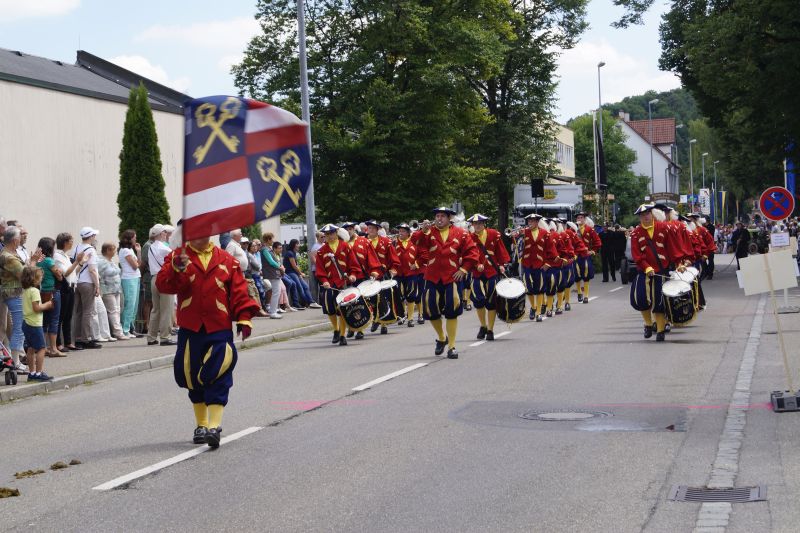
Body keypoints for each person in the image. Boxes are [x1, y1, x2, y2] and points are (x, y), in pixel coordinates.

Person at [156, 233, 260, 448]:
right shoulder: (177, 256)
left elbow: (239, 292)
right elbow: (165, 286)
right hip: (191, 327)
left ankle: (214, 427)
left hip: (218, 326)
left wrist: (243, 318)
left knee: (219, 373)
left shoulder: (227, 260)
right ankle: (201, 424)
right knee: (191, 376)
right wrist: (177, 268)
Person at [417, 207, 479, 359]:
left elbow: (472, 253)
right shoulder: (428, 231)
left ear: (449, 218)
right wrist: (423, 231)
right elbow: (416, 243)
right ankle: (441, 338)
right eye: (437, 216)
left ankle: (451, 346)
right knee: (431, 311)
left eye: (442, 216)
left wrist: (464, 270)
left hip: (451, 277)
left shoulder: (461, 233)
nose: (439, 219)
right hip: (432, 277)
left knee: (452, 311)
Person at [629, 204, 690, 341]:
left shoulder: (664, 228)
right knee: (641, 299)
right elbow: (636, 255)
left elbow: (672, 248)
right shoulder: (636, 233)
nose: (645, 217)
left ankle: (661, 330)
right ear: (639, 217)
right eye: (642, 215)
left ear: (652, 214)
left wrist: (679, 264)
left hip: (661, 271)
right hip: (644, 272)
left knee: (660, 301)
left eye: (647, 214)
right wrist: (646, 267)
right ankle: (648, 324)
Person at [1, 226, 43, 371]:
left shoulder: (10, 254)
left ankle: (15, 360)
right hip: (14, 294)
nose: (21, 240)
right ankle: (16, 362)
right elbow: (25, 276)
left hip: (14, 293)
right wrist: (33, 262)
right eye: (19, 238)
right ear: (15, 240)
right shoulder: (8, 256)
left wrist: (32, 261)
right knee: (19, 328)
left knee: (16, 327)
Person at [315, 224, 361, 346]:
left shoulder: (345, 246)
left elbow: (353, 262)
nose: (329, 236)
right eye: (327, 234)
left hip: (343, 282)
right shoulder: (321, 251)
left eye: (331, 233)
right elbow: (320, 269)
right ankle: (335, 329)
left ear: (336, 233)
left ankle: (342, 335)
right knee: (330, 309)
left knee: (342, 309)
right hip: (329, 284)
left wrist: (353, 275)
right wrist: (324, 280)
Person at [467, 214, 509, 340]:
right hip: (477, 273)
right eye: (475, 224)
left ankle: (490, 330)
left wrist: (502, 265)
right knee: (478, 301)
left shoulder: (494, 234)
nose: (478, 225)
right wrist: (475, 264)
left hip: (492, 271)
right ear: (472, 225)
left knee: (492, 302)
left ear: (484, 223)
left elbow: (500, 251)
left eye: (480, 223)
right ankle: (483, 325)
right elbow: (466, 255)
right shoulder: (469, 238)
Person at [341, 221, 381, 339]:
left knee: (361, 304)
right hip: (346, 279)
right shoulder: (342, 244)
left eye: (350, 229)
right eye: (346, 229)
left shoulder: (364, 242)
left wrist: (374, 270)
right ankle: (351, 327)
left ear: (354, 229)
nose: (348, 231)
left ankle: (360, 329)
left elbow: (371, 257)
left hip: (361, 277)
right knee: (347, 305)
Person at [520, 213, 558, 322]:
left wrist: (548, 263)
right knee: (528, 287)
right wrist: (516, 236)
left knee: (540, 288)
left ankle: (538, 313)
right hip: (527, 263)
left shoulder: (545, 234)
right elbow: (518, 245)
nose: (530, 223)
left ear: (537, 222)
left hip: (540, 264)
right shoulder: (524, 232)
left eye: (532, 221)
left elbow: (551, 249)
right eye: (529, 221)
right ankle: (533, 307)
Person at [364, 220, 400, 334]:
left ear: (378, 229)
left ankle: (384, 323)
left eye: (373, 228)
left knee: (384, 299)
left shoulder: (386, 242)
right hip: (368, 275)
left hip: (382, 273)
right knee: (372, 299)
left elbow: (393, 258)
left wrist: (393, 269)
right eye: (369, 228)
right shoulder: (363, 242)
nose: (371, 230)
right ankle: (375, 319)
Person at [21, 266, 54, 381]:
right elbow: (36, 308)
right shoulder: (34, 291)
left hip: (26, 323)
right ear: (34, 279)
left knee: (30, 349)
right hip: (34, 324)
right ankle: (39, 373)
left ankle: (32, 373)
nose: (41, 279)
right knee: (41, 348)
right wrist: (48, 304)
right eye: (40, 277)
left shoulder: (25, 290)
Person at [36, 237, 66, 356]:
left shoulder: (38, 260)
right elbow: (59, 276)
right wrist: (59, 272)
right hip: (53, 291)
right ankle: (53, 348)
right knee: (54, 320)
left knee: (44, 320)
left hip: (42, 291)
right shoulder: (49, 260)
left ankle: (43, 347)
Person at [73, 226, 102, 349]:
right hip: (87, 283)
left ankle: (77, 338)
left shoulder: (76, 248)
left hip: (76, 282)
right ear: (90, 237)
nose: (95, 237)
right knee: (88, 312)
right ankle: (86, 338)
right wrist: (97, 285)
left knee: (78, 311)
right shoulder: (91, 250)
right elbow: (92, 270)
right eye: (94, 235)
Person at [54, 233, 84, 351]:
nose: (73, 242)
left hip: (71, 287)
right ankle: (58, 344)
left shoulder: (66, 256)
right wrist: (77, 261)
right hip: (63, 288)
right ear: (65, 242)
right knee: (60, 317)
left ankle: (68, 342)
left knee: (68, 316)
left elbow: (73, 272)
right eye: (71, 240)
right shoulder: (57, 256)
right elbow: (65, 273)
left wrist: (80, 263)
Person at [147, 224, 175, 346]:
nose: (166, 234)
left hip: (154, 278)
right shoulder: (164, 248)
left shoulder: (151, 247)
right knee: (166, 309)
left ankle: (151, 337)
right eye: (164, 232)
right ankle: (165, 337)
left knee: (156, 309)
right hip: (164, 278)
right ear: (160, 234)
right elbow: (176, 256)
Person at [393, 223, 422, 328]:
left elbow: (422, 255)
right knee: (399, 295)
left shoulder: (414, 243)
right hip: (398, 274)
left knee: (411, 295)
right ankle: (401, 316)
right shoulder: (394, 243)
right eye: (400, 231)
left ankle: (410, 318)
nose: (401, 233)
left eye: (403, 231)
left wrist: (417, 264)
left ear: (408, 233)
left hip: (411, 273)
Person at [98, 242, 127, 340]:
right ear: (107, 250)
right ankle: (118, 332)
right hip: (107, 289)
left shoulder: (111, 261)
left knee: (117, 310)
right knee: (113, 311)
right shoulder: (101, 262)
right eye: (113, 249)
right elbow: (100, 275)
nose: (115, 252)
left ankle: (117, 331)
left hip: (116, 289)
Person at [283, 239, 321, 309]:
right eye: (297, 244)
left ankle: (311, 302)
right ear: (293, 245)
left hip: (295, 273)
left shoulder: (293, 253)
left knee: (305, 286)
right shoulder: (290, 253)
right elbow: (294, 266)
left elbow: (296, 266)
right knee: (300, 287)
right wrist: (300, 273)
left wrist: (299, 273)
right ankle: (304, 303)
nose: (299, 245)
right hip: (290, 273)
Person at [118, 230, 142, 339]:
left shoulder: (130, 250)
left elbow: (139, 264)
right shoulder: (125, 251)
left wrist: (139, 252)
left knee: (135, 305)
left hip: (135, 277)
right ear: (129, 238)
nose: (135, 239)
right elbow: (135, 266)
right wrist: (136, 262)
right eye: (134, 237)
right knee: (130, 304)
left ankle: (131, 328)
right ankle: (125, 329)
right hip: (128, 278)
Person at [574, 212, 601, 303]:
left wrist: (592, 251)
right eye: (578, 217)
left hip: (585, 255)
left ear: (584, 219)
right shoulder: (573, 230)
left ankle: (586, 295)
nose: (579, 219)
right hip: (576, 255)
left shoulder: (590, 230)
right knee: (577, 275)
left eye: (581, 217)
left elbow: (597, 242)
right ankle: (579, 293)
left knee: (586, 275)